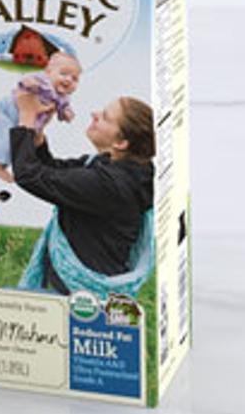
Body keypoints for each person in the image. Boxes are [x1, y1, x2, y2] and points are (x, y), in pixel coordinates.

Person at [8, 96, 158, 296]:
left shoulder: (110, 185)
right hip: (82, 292)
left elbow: (30, 176)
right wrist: (37, 135)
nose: (94, 114)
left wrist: (25, 118)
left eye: (105, 117)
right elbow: (52, 171)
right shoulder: (110, 167)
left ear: (121, 142)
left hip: (80, 298)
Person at [0, 53, 81, 188]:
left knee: (21, 142)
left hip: (24, 122)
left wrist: (66, 113)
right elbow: (25, 80)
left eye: (75, 79)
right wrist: (29, 83)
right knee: (8, 137)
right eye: (64, 74)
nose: (69, 80)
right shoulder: (42, 80)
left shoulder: (63, 98)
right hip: (5, 112)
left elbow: (63, 108)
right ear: (48, 72)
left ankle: (12, 164)